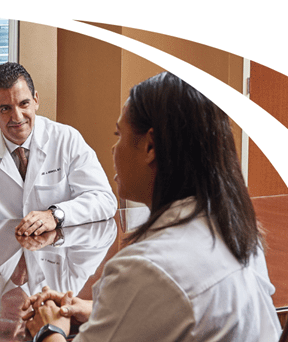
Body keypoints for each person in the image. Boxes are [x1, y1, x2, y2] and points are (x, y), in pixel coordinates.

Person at [21, 72, 282, 341]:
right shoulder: (237, 233)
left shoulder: (144, 267)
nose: (113, 148)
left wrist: (48, 328)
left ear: (150, 146)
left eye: (118, 134)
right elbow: (178, 310)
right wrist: (99, 309)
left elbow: (164, 292)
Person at [0, 62, 117, 235]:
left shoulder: (67, 139)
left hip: (58, 252)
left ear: (36, 100)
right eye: (6, 108)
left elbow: (104, 200)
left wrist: (56, 215)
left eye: (24, 104)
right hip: (0, 256)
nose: (17, 117)